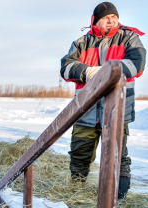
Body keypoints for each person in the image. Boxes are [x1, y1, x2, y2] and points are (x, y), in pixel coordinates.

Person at [60, 2, 146, 200]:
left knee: (118, 158)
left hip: (118, 110)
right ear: (95, 20)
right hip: (85, 110)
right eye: (106, 17)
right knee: (79, 154)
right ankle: (76, 193)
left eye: (113, 17)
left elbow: (137, 64)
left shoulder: (129, 37)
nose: (111, 20)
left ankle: (119, 199)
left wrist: (108, 70)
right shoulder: (82, 42)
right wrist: (88, 72)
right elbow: (65, 67)